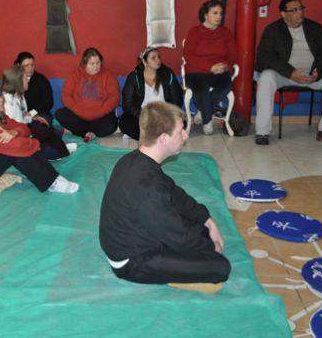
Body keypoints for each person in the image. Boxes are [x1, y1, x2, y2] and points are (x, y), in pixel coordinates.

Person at [100, 101, 230, 293]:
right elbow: (177, 236)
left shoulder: (138, 159)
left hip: (142, 234)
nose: (186, 136)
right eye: (180, 132)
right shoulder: (146, 186)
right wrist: (210, 248)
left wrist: (207, 219)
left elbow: (174, 194)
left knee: (200, 228)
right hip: (133, 260)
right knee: (220, 267)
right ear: (163, 138)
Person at [0, 81, 79, 193]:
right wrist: (36, 144)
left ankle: (53, 178)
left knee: (18, 146)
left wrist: (14, 132)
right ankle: (51, 183)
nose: (1, 100)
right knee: (14, 151)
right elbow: (17, 146)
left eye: (0, 95)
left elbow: (24, 128)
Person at [254, 0, 322, 145]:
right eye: (294, 10)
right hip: (285, 75)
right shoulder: (273, 30)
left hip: (312, 75)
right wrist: (291, 72)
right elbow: (264, 58)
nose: (300, 13)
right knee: (266, 77)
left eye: (301, 8)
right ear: (283, 14)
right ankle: (262, 132)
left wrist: (318, 72)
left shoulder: (315, 28)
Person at [183, 0, 237, 135]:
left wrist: (225, 66)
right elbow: (189, 56)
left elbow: (233, 55)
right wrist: (209, 67)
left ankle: (202, 111)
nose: (219, 16)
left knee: (225, 87)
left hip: (220, 71)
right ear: (206, 15)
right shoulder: (194, 32)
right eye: (215, 13)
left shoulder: (226, 33)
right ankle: (207, 121)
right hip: (196, 71)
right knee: (201, 92)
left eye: (220, 13)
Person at [1, 65, 75, 160]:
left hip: (24, 127)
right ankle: (60, 149)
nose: (28, 80)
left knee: (44, 123)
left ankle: (59, 147)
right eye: (25, 78)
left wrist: (33, 117)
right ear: (18, 82)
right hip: (19, 135)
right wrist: (32, 127)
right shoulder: (8, 103)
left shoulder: (19, 95)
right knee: (43, 131)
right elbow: (17, 127)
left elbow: (24, 115)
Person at [119, 46, 183, 140]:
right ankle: (156, 135)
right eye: (153, 58)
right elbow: (127, 103)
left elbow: (177, 98)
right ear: (145, 62)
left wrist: (165, 113)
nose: (158, 60)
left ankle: (151, 135)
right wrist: (144, 115)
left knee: (180, 122)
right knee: (125, 123)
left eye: (158, 57)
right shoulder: (134, 77)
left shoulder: (168, 74)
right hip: (142, 115)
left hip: (163, 114)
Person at [57, 47, 120, 142]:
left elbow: (114, 97)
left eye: (98, 63)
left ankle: (79, 131)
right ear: (84, 64)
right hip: (79, 115)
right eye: (92, 64)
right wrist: (76, 109)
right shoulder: (75, 75)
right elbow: (66, 95)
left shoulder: (108, 75)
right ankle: (89, 132)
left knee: (112, 124)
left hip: (100, 117)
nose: (96, 66)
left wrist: (102, 111)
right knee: (60, 114)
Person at [14, 52, 55, 122]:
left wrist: (32, 113)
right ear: (18, 65)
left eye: (32, 65)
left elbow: (48, 102)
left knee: (40, 125)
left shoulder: (41, 80)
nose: (30, 68)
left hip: (40, 113)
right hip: (19, 114)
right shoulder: (13, 79)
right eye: (26, 65)